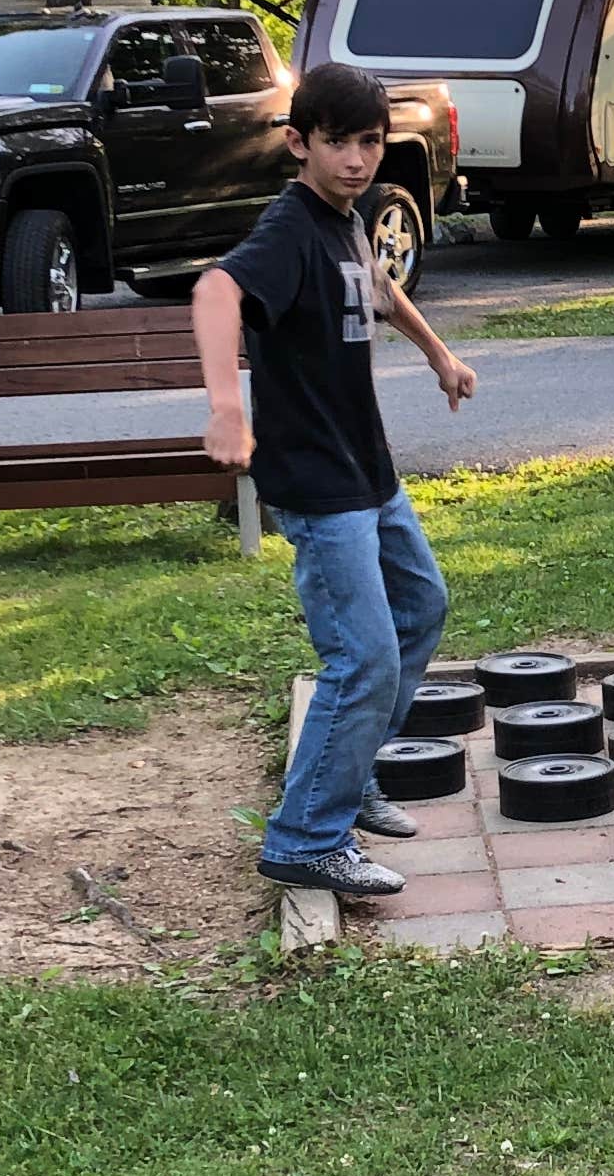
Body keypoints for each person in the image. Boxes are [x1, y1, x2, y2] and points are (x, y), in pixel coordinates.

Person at [195, 66, 478, 897]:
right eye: (337, 143)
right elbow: (215, 290)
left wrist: (441, 356)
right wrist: (223, 406)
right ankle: (306, 836)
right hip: (318, 484)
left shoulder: (348, 221)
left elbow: (381, 291)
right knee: (365, 656)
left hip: (368, 469)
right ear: (298, 143)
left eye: (369, 142)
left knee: (421, 607)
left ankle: (348, 781)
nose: (355, 159)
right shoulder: (289, 228)